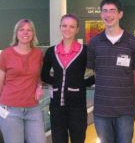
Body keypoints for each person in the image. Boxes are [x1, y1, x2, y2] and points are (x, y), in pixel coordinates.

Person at [87, 0, 135, 143]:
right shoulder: (94, 43)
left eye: (112, 10)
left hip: (125, 110)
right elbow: (96, 71)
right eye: (105, 11)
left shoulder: (133, 42)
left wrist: (126, 97)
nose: (108, 15)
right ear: (101, 14)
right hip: (101, 110)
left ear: (120, 14)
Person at [41, 14, 95, 143]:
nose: (67, 29)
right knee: (58, 140)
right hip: (56, 107)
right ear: (60, 27)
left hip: (78, 106)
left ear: (77, 29)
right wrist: (59, 84)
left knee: (78, 139)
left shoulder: (85, 51)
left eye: (72, 26)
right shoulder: (51, 51)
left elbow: (98, 73)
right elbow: (44, 75)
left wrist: (80, 84)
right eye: (64, 26)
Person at [0, 19, 46, 143]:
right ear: (16, 33)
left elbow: (38, 76)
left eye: (29, 30)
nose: (25, 33)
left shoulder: (38, 54)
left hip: (33, 109)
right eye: (21, 29)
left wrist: (39, 86)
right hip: (9, 110)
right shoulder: (6, 54)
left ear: (33, 33)